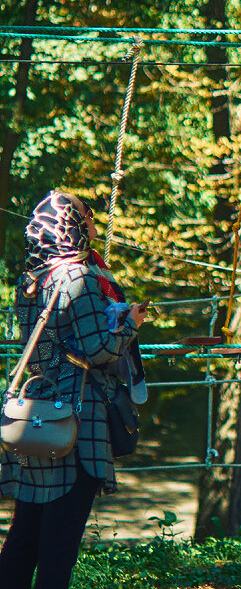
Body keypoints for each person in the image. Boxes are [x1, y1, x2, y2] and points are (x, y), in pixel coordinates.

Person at [0, 191, 148, 589]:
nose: (94, 221)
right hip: (76, 421)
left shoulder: (31, 280)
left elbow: (49, 347)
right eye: (87, 214)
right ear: (72, 224)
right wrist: (131, 323)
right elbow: (98, 349)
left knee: (24, 539)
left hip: (36, 416)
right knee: (58, 548)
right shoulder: (79, 277)